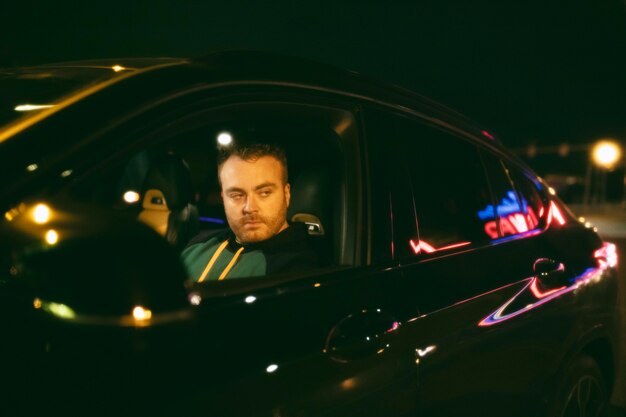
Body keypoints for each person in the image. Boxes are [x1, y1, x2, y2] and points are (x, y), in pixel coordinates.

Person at [181, 142, 321, 282]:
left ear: (287, 194)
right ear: (223, 198)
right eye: (237, 195)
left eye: (264, 193)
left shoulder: (302, 268)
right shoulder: (198, 245)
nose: (249, 207)